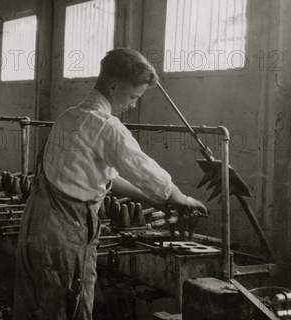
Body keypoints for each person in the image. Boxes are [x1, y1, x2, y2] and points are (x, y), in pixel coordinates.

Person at [13, 48, 208, 320]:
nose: (132, 105)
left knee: (31, 307)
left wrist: (155, 201)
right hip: (65, 232)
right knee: (69, 308)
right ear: (113, 85)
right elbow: (143, 168)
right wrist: (178, 197)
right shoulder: (107, 126)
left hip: (35, 226)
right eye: (132, 96)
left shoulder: (69, 116)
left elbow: (107, 178)